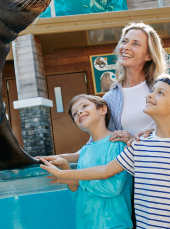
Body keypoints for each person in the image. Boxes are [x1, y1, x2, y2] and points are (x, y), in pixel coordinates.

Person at [41, 75, 170, 229]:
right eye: (153, 91)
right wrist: (65, 173)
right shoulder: (139, 145)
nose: (150, 95)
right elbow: (104, 171)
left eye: (160, 92)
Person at [52, 22, 168, 164]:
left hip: (167, 162)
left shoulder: (164, 87)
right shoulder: (111, 98)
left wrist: (135, 140)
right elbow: (97, 144)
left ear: (149, 55)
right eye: (124, 41)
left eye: (135, 44)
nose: (126, 47)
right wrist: (55, 158)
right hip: (137, 172)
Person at [50, 94, 133, 229]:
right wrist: (65, 167)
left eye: (84, 106)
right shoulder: (84, 151)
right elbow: (77, 195)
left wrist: (76, 179)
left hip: (114, 224)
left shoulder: (117, 144)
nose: (80, 112)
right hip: (84, 224)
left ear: (102, 109)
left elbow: (113, 188)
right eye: (75, 113)